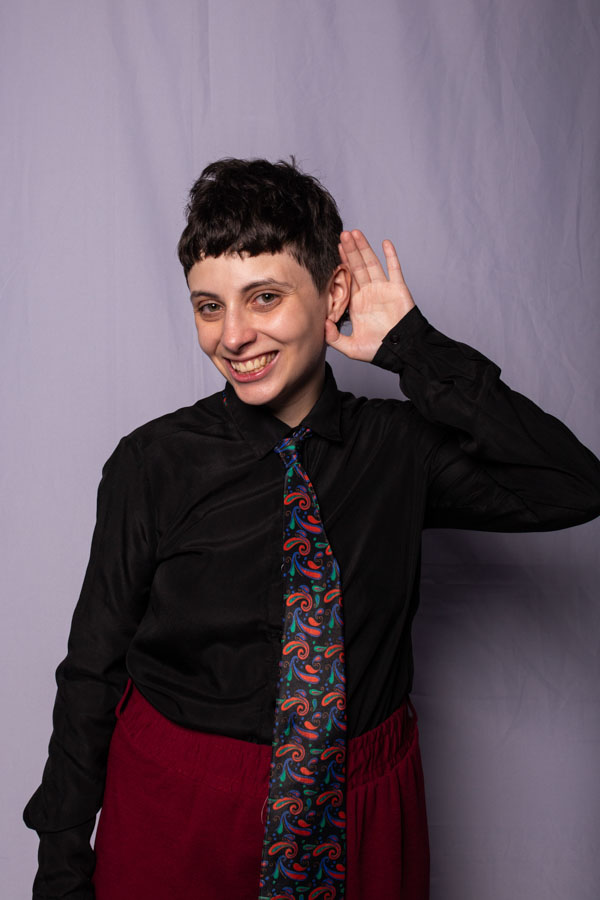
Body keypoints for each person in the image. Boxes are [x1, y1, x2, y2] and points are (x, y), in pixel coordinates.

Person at [24, 158, 600, 900]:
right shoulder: (152, 463)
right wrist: (61, 868)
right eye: (209, 306)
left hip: (361, 808)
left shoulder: (399, 449)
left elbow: (571, 486)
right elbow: (91, 672)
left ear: (333, 294)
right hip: (180, 809)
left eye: (264, 297)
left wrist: (413, 347)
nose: (234, 336)